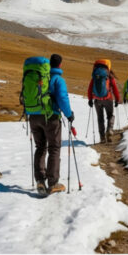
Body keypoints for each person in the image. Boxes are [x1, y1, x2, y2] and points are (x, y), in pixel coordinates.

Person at [30, 54, 74, 196]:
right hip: (50, 118)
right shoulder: (58, 79)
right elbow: (62, 98)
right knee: (54, 148)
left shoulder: (40, 78)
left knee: (40, 147)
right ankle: (53, 183)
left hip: (34, 116)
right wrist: (69, 114)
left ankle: (40, 181)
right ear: (60, 65)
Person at [87, 59, 120, 143]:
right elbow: (115, 89)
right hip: (108, 99)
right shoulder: (109, 76)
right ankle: (109, 130)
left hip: (97, 100)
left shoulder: (95, 75)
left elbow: (90, 88)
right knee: (110, 116)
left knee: (100, 118)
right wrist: (117, 99)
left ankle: (102, 137)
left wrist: (90, 99)